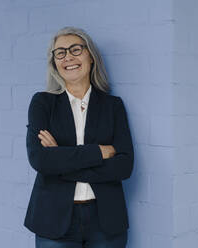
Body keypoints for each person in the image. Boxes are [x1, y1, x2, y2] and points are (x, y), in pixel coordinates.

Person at [24, 26, 134, 248]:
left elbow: (124, 166)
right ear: (55, 62)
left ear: (91, 57)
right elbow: (41, 161)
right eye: (60, 53)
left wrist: (61, 159)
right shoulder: (42, 103)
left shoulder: (113, 106)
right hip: (53, 220)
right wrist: (99, 152)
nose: (68, 57)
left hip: (106, 221)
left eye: (76, 49)